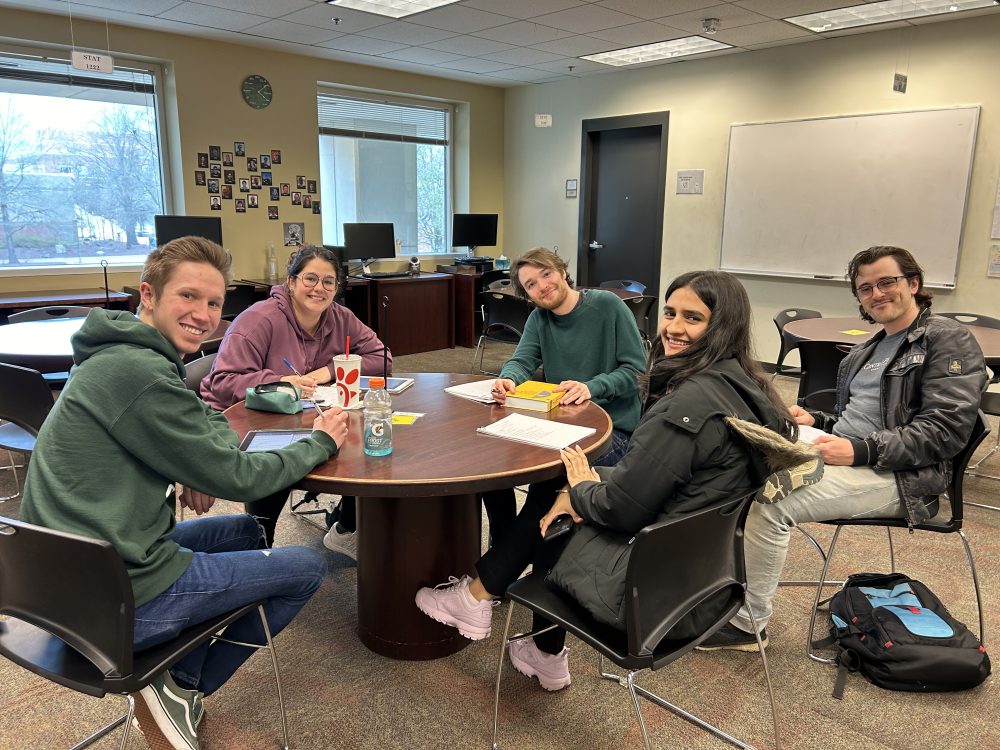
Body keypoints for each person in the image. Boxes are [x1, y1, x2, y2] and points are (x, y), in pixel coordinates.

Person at [19, 236, 350, 750]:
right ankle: (181, 686)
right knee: (306, 568)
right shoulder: (140, 374)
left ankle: (173, 674)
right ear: (148, 295)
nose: (203, 314)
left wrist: (192, 464)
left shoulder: (119, 355)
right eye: (188, 297)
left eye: (214, 303)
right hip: (113, 601)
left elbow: (205, 418)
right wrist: (322, 440)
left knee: (245, 528)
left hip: (69, 576)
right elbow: (242, 478)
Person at [416, 271, 803, 690]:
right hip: (704, 576)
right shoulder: (748, 388)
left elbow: (621, 510)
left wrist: (579, 491)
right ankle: (539, 648)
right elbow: (669, 481)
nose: (673, 327)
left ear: (723, 325)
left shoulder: (687, 407)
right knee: (564, 489)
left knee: (556, 508)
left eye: (692, 318)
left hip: (643, 590)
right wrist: (583, 485)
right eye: (670, 313)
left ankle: (477, 597)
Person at [699, 246, 988, 652]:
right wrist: (817, 422)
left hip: (902, 478)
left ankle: (748, 627)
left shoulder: (946, 340)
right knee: (727, 462)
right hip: (851, 455)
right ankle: (713, 589)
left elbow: (945, 432)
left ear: (914, 284)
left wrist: (860, 450)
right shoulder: (868, 349)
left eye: (887, 282)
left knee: (769, 503)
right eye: (865, 287)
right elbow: (859, 419)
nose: (876, 294)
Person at [201, 244, 390, 557]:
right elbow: (221, 383)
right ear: (291, 282)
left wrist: (327, 372)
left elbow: (382, 357)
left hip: (304, 413)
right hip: (246, 419)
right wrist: (278, 381)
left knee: (361, 438)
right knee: (277, 459)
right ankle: (258, 543)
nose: (320, 289)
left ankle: (347, 527)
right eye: (310, 279)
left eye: (329, 282)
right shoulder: (259, 320)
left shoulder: (340, 317)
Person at [482, 247, 647, 545]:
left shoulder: (608, 306)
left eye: (546, 274)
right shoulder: (539, 319)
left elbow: (637, 372)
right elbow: (522, 361)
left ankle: (497, 568)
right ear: (527, 295)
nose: (542, 286)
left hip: (612, 432)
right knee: (492, 463)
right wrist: (508, 378)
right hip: (562, 425)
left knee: (548, 486)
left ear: (562, 271)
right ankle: (503, 546)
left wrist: (591, 387)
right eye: (531, 284)